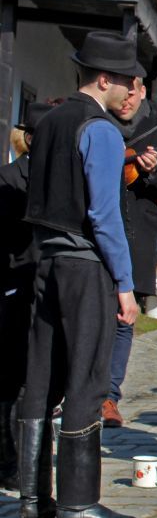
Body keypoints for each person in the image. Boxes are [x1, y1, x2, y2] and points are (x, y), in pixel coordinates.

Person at [17, 31, 145, 518]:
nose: (132, 92)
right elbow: (105, 214)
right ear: (105, 79)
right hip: (84, 263)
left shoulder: (49, 122)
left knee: (41, 377)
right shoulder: (101, 129)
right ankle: (76, 501)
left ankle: (32, 498)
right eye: (128, 82)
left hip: (44, 261)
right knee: (88, 378)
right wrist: (125, 281)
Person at [103, 83, 157, 429]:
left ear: (142, 90)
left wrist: (149, 172)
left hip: (136, 230)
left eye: (132, 93)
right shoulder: (97, 121)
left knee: (124, 316)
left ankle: (109, 396)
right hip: (96, 228)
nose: (126, 101)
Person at [0, 103, 53, 490]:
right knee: (11, 381)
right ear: (31, 139)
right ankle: (9, 464)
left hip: (48, 286)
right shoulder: (8, 179)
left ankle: (31, 466)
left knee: (40, 381)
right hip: (15, 286)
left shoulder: (58, 178)